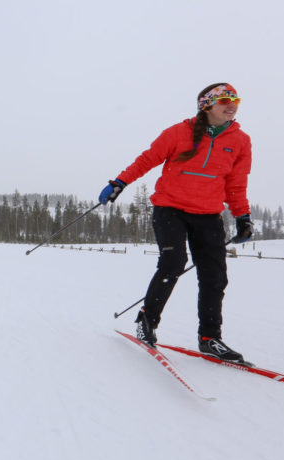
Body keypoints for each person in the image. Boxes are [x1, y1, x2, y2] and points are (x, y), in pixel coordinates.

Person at [98, 83, 253, 362]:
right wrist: (119, 182)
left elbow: (236, 183)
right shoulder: (178, 132)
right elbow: (147, 159)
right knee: (173, 263)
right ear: (206, 105)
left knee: (214, 276)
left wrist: (243, 216)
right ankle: (147, 323)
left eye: (236, 100)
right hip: (170, 208)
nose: (232, 105)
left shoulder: (240, 141)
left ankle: (210, 338)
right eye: (225, 100)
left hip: (208, 214)